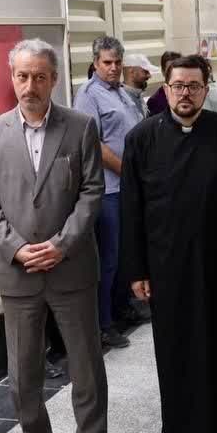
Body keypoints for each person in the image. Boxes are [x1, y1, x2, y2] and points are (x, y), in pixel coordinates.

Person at [0, 39, 111, 433]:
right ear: (12, 78)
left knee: (86, 365)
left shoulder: (80, 127)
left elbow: (92, 191)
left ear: (53, 79)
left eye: (38, 77)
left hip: (71, 268)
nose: (29, 85)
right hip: (19, 273)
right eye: (22, 76)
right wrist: (15, 248)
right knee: (23, 370)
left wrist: (62, 244)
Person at [120, 55, 217, 433]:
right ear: (166, 88)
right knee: (173, 351)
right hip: (167, 267)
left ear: (205, 89)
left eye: (194, 86)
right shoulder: (142, 138)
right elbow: (132, 207)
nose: (185, 93)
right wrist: (137, 270)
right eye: (178, 86)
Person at [73, 36, 145, 350]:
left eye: (117, 62)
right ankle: (103, 325)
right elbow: (95, 145)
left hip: (129, 187)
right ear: (95, 63)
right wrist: (128, 172)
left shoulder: (122, 92)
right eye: (107, 63)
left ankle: (122, 308)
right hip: (109, 189)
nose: (113, 68)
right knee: (109, 259)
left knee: (126, 253)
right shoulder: (88, 95)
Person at [122, 52, 160, 118]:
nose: (149, 76)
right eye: (145, 71)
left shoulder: (137, 95)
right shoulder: (123, 101)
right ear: (131, 71)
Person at [147, 51, 182, 116]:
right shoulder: (155, 101)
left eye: (178, 68)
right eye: (169, 69)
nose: (174, 73)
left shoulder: (191, 93)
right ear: (163, 72)